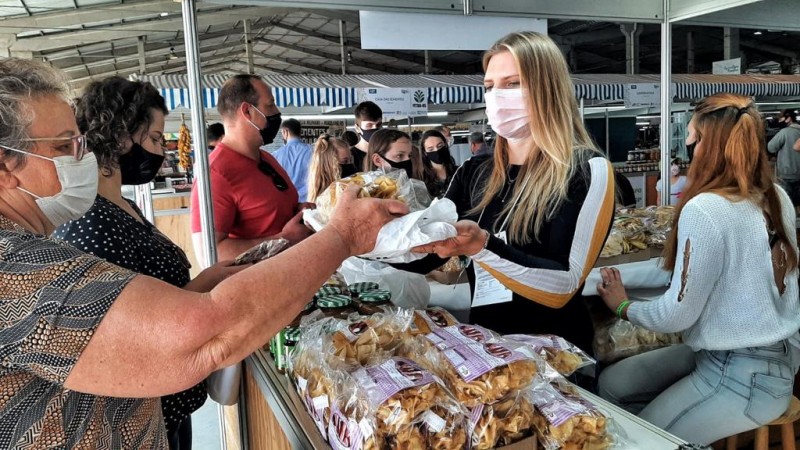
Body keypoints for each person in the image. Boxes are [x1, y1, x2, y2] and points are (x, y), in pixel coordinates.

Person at [0, 57, 406, 448]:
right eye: (63, 145)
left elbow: (124, 322)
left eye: (80, 141)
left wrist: (209, 283)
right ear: (5, 165)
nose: (80, 156)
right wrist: (342, 237)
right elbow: (199, 335)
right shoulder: (16, 267)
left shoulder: (36, 244)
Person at [596, 93, 800, 445]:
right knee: (614, 385)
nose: (687, 146)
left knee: (634, 442)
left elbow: (677, 316)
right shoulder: (775, 196)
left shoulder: (706, 208)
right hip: (764, 357)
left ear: (707, 144)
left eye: (691, 138)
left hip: (741, 373)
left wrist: (623, 306)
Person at [406, 31, 615, 354]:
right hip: (488, 354)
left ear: (548, 88)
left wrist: (483, 247)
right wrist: (373, 238)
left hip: (557, 359)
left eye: (513, 83)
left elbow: (565, 285)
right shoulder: (473, 173)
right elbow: (426, 255)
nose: (496, 96)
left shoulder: (587, 170)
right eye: (489, 87)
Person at [52, 77, 213, 450]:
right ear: (122, 134)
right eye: (155, 139)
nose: (160, 151)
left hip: (170, 404)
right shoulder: (91, 223)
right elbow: (134, 331)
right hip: (142, 422)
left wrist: (212, 278)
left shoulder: (124, 205)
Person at [190, 74, 310, 262]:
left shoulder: (267, 158)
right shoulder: (216, 173)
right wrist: (283, 239)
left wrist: (300, 213)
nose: (277, 112)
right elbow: (209, 255)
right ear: (247, 111)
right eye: (270, 105)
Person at [273, 118, 313, 202]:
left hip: (286, 201)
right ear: (299, 131)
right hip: (308, 201)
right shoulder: (313, 151)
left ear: (285, 132)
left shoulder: (276, 155)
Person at [307, 134, 355, 202]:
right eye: (344, 161)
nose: (349, 165)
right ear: (329, 165)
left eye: (350, 160)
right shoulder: (323, 199)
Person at [768, 109, 800, 208]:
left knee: (786, 204)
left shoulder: (785, 132)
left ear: (788, 119)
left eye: (782, 117)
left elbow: (771, 147)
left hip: (785, 174)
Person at [420, 129, 459, 198]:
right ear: (425, 152)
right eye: (431, 149)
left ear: (445, 145)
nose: (437, 150)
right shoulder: (422, 177)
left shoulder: (459, 172)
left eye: (440, 146)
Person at [353, 101, 383, 171]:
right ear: (357, 128)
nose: (375, 128)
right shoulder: (350, 157)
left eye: (378, 125)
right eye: (369, 125)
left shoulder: (385, 153)